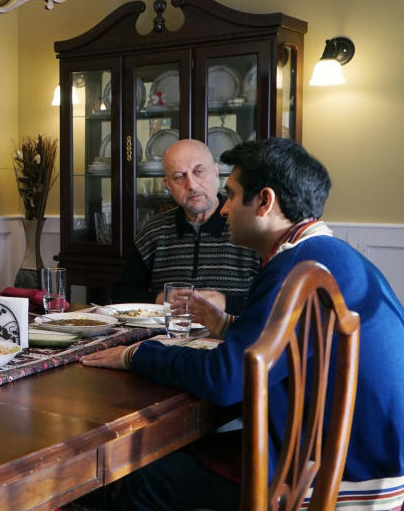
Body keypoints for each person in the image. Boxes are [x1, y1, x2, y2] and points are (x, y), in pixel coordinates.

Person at [82, 138, 404, 510]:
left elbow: (225, 381)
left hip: (346, 484)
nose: (224, 209)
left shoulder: (297, 270)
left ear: (265, 202)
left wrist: (137, 354)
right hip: (373, 462)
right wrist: (225, 325)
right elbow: (285, 344)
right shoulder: (323, 254)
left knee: (142, 474)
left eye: (232, 195)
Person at [112, 139, 260, 314]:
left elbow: (276, 305)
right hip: (168, 336)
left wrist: (225, 303)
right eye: (179, 177)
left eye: (199, 171)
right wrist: (161, 299)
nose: (191, 185)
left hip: (229, 336)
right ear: (168, 185)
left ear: (215, 171)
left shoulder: (250, 229)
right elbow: (120, 293)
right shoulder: (154, 232)